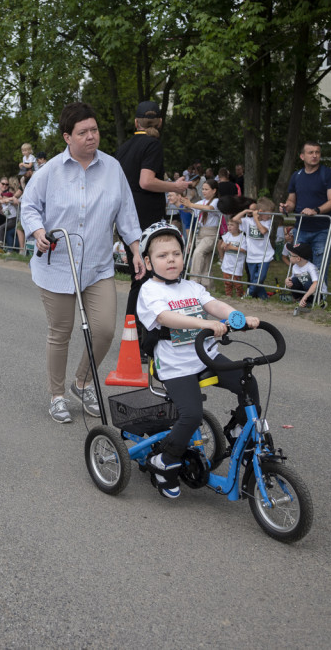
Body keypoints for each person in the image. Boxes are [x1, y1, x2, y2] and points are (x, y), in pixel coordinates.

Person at [20, 101, 144, 424]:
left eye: (94, 130)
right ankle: (57, 395)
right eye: (83, 132)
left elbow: (126, 212)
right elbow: (29, 205)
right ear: (67, 137)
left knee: (104, 330)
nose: (91, 137)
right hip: (58, 265)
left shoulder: (113, 169)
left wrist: (136, 249)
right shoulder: (50, 172)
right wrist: (37, 230)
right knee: (61, 331)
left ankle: (83, 381)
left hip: (98, 267)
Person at [135, 222, 261, 499]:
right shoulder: (150, 291)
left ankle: (239, 429)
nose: (170, 259)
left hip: (207, 357)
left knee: (247, 383)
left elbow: (214, 305)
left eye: (176, 254)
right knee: (191, 415)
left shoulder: (192, 286)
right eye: (162, 255)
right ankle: (164, 460)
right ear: (148, 261)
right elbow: (165, 318)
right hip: (175, 367)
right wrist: (204, 323)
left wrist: (237, 317)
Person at [116, 100, 190, 334]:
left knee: (140, 279)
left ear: (136, 122)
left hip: (127, 219)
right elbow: (146, 181)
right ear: (159, 121)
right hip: (145, 220)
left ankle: (134, 335)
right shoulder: (152, 145)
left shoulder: (124, 147)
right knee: (146, 279)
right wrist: (175, 187)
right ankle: (141, 337)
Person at [280, 140, 331, 299]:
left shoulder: (328, 173)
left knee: (319, 267)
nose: (314, 155)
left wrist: (316, 210)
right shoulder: (296, 176)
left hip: (323, 229)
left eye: (317, 152)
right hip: (301, 228)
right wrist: (286, 207)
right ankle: (302, 298)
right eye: (310, 152)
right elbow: (292, 201)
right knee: (300, 266)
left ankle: (319, 300)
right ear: (302, 156)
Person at [177, 179, 223, 290]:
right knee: (205, 260)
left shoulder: (216, 201)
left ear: (214, 190)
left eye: (206, 189)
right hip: (200, 232)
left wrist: (191, 204)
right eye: (202, 189)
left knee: (198, 253)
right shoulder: (201, 202)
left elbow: (209, 208)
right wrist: (184, 203)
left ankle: (193, 282)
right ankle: (208, 287)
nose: (204, 191)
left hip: (211, 233)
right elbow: (189, 209)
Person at [232, 198, 274, 299]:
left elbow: (263, 231)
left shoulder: (268, 222)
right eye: (269, 213)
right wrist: (245, 211)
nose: (270, 216)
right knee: (254, 278)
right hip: (251, 255)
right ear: (260, 212)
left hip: (265, 255)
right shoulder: (247, 221)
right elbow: (235, 219)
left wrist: (256, 219)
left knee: (260, 277)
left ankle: (249, 294)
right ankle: (263, 297)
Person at [284, 241, 319, 310]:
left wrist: (305, 297)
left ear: (298, 259)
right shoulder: (295, 267)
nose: (289, 256)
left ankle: (313, 301)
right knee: (293, 280)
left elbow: (315, 284)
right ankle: (299, 299)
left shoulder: (311, 267)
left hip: (316, 293)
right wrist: (287, 281)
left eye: (290, 255)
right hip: (304, 290)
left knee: (307, 282)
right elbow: (294, 278)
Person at [219, 218, 246, 298]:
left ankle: (239, 296)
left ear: (238, 227)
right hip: (227, 264)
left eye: (232, 225)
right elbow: (222, 245)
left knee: (237, 283)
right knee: (227, 283)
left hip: (237, 264)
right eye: (228, 225)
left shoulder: (242, 237)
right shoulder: (227, 235)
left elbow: (243, 249)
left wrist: (231, 247)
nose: (229, 227)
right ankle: (228, 296)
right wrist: (223, 246)